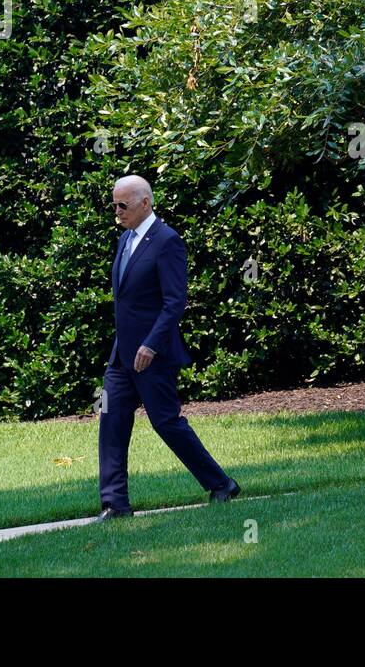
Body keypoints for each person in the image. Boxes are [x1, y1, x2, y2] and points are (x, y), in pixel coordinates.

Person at [96, 174, 239, 519]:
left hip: (151, 355)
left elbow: (174, 302)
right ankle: (114, 504)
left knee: (166, 423)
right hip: (121, 356)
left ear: (145, 203)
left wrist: (150, 345)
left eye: (122, 205)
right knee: (111, 420)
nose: (117, 212)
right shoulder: (124, 241)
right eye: (113, 204)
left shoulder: (167, 241)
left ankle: (221, 484)